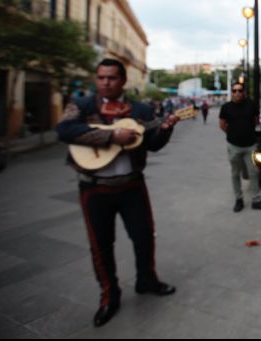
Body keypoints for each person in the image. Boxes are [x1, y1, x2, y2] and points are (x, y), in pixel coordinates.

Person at [56, 58, 180, 328]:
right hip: (94, 187)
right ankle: (109, 294)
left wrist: (166, 130)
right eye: (101, 77)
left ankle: (146, 280)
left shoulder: (141, 109)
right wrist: (111, 137)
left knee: (144, 235)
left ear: (123, 80)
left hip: (131, 185)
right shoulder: (83, 104)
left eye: (111, 78)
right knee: (101, 244)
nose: (105, 82)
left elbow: (153, 144)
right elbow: (64, 130)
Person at [219, 82, 261, 213]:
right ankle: (238, 199)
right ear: (232, 93)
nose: (237, 93)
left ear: (244, 92)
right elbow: (222, 125)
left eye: (240, 90)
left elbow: (256, 121)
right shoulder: (226, 107)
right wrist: (232, 134)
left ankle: (256, 200)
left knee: (254, 173)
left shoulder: (251, 105)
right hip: (233, 146)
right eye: (234, 91)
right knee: (235, 174)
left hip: (251, 145)